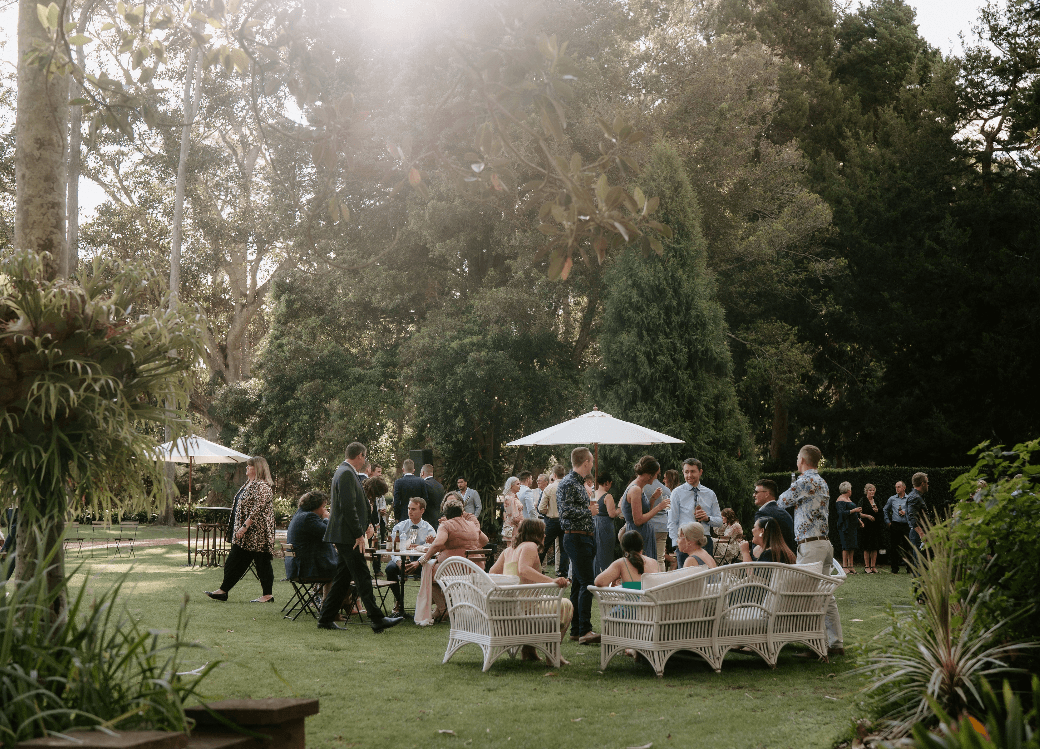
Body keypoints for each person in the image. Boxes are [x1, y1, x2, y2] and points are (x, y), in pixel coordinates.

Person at [317, 442, 403, 633]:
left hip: (345, 535)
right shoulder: (346, 473)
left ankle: (325, 618)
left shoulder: (345, 471)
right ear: (360, 455)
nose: (365, 460)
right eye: (365, 457)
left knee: (342, 578)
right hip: (348, 536)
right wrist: (358, 535)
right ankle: (377, 619)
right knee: (363, 575)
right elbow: (348, 507)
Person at [777, 444, 844, 656]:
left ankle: (817, 645)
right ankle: (835, 643)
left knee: (809, 594)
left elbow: (781, 502)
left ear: (802, 460)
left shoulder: (804, 481)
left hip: (810, 544)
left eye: (798, 458)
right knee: (826, 596)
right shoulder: (822, 482)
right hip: (824, 543)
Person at [489, 519, 573, 663]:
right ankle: (553, 652)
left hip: (510, 606)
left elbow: (492, 572)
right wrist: (551, 580)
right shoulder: (529, 546)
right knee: (566, 604)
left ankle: (528, 650)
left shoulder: (508, 551)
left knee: (544, 599)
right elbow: (523, 570)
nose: (545, 535)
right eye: (543, 532)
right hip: (526, 608)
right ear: (536, 534)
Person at [206, 456, 277, 603]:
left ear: (257, 468)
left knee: (262, 562)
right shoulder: (248, 484)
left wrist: (245, 527)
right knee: (233, 561)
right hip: (245, 534)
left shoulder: (262, 486)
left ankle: (267, 595)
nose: (246, 468)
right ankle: (223, 591)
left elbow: (258, 509)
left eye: (249, 466)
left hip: (258, 533)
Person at [410, 494, 490, 619]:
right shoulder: (472, 525)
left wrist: (422, 560)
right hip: (475, 568)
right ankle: (443, 608)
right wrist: (469, 547)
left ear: (445, 513)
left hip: (455, 568)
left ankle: (443, 609)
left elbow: (438, 543)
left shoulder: (446, 525)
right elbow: (485, 541)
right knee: (434, 570)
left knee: (428, 574)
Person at [558, 446, 600, 644]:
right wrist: (588, 512)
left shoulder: (579, 483)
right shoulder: (568, 483)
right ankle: (585, 630)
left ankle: (575, 629)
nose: (592, 465)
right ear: (586, 463)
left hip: (585, 537)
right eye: (591, 462)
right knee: (587, 583)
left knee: (578, 584)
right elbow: (565, 512)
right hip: (576, 537)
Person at [385, 497, 436, 615]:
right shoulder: (400, 526)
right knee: (390, 568)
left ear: (422, 510)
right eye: (409, 508)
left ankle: (427, 604)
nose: (410, 512)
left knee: (431, 569)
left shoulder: (429, 529)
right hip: (401, 560)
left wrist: (419, 560)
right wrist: (398, 562)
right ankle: (399, 600)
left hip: (419, 562)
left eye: (413, 509)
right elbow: (393, 548)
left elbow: (433, 549)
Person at [667, 458, 721, 564]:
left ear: (700, 472)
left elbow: (719, 521)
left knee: (706, 578)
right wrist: (676, 544)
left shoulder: (710, 494)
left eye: (692, 471)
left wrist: (707, 518)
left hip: (705, 541)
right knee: (685, 578)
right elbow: (672, 520)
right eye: (686, 472)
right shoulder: (676, 493)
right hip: (685, 542)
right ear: (683, 473)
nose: (689, 475)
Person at [285, 490, 338, 591]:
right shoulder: (309, 517)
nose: (324, 510)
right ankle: (330, 604)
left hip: (297, 567)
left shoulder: (299, 515)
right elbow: (328, 534)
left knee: (342, 569)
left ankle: (341, 603)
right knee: (346, 570)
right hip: (307, 569)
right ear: (315, 506)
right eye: (323, 507)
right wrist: (327, 519)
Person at [621, 456, 670, 561]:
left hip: (643, 533)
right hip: (637, 536)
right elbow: (638, 520)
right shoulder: (635, 489)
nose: (657, 477)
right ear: (649, 475)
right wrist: (659, 507)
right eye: (656, 474)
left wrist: (652, 499)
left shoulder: (639, 487)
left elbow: (645, 512)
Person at [595, 529, 660, 588]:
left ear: (624, 548)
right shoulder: (655, 562)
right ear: (642, 545)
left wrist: (621, 587)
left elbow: (598, 582)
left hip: (633, 600)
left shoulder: (622, 562)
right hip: (654, 599)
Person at [538, 464, 569, 577]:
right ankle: (563, 572)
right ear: (564, 474)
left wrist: (548, 511)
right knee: (564, 548)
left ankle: (537, 567)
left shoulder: (550, 488)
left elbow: (541, 508)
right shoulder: (568, 486)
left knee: (544, 545)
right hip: (565, 520)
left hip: (552, 520)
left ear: (554, 475)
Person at [752, 479, 796, 555]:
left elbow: (759, 541)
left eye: (756, 492)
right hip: (788, 560)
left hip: (769, 561)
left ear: (766, 494)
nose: (754, 495)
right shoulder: (786, 513)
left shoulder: (762, 513)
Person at [593, 473, 620, 575]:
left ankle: (595, 574)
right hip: (605, 525)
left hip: (594, 523)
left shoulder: (593, 493)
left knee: (596, 552)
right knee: (606, 552)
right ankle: (605, 574)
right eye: (610, 483)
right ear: (607, 483)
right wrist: (619, 510)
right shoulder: (607, 496)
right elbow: (612, 514)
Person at [883, 481, 912, 573]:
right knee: (894, 547)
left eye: (899, 487)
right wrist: (888, 522)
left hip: (906, 526)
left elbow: (913, 511)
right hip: (895, 525)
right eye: (896, 487)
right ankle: (894, 568)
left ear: (904, 488)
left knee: (908, 547)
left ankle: (909, 568)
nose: (897, 489)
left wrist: (905, 513)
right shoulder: (892, 499)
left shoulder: (909, 498)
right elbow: (885, 510)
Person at [835, 481, 862, 574]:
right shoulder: (840, 500)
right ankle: (844, 566)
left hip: (852, 526)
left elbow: (853, 514)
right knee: (846, 546)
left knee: (852, 546)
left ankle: (851, 565)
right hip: (844, 526)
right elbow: (841, 513)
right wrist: (854, 510)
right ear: (848, 490)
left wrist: (859, 520)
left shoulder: (848, 499)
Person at [392, 459, 428, 525]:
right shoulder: (421, 481)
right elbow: (425, 499)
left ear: (403, 470)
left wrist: (397, 517)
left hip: (403, 516)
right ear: (413, 470)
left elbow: (396, 502)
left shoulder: (398, 482)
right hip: (418, 517)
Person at [859, 483, 883, 574]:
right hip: (866, 526)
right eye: (870, 490)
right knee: (867, 547)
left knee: (875, 547)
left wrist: (877, 511)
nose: (872, 492)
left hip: (875, 526)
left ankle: (873, 566)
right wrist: (868, 516)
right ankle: (867, 566)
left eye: (873, 490)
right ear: (866, 491)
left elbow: (881, 511)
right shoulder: (863, 500)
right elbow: (859, 513)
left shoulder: (877, 500)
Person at [905, 472, 929, 559]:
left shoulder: (916, 495)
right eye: (927, 482)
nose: (928, 485)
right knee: (921, 562)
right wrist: (921, 533)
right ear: (922, 484)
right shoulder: (915, 497)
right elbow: (912, 516)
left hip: (918, 533)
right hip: (918, 534)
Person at [420, 464, 444, 529]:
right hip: (438, 519)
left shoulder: (424, 484)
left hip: (427, 519)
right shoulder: (440, 486)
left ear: (422, 473)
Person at [501, 476, 524, 543]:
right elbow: (513, 518)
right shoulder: (509, 498)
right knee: (512, 549)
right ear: (511, 485)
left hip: (517, 527)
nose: (520, 486)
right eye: (517, 484)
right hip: (512, 529)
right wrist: (521, 519)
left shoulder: (514, 496)